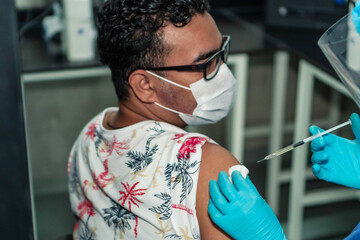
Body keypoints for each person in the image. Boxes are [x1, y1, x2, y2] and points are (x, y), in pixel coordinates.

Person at [68, 0, 242, 239]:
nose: (222, 71)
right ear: (145, 85)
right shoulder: (207, 168)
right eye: (205, 63)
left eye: (222, 52)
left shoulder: (90, 133)